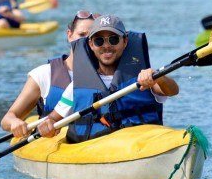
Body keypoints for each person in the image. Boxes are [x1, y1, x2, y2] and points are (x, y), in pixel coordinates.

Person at [36, 14, 179, 143]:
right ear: (91, 44)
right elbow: (53, 119)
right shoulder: (77, 87)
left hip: (142, 143)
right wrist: (47, 125)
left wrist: (158, 78)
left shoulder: (144, 78)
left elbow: (172, 90)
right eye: (99, 41)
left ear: (125, 41)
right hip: (98, 150)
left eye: (113, 39)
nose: (106, 46)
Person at [0, 11, 99, 139]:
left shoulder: (108, 74)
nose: (85, 41)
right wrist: (15, 122)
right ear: (69, 35)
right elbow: (7, 119)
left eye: (93, 37)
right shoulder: (44, 74)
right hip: (53, 142)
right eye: (81, 34)